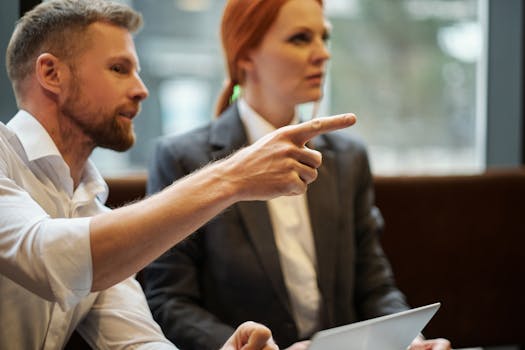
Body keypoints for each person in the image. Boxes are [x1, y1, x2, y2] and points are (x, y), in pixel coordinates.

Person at [0, 0, 356, 349]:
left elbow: (138, 342)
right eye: (119, 69)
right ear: (51, 73)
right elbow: (47, 256)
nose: (141, 90)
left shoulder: (92, 211)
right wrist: (233, 176)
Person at [142, 1, 452, 350]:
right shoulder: (185, 160)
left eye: (324, 37)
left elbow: (374, 286)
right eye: (301, 39)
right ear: (245, 54)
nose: (323, 54)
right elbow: (168, 302)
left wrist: (409, 340)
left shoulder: (348, 158)